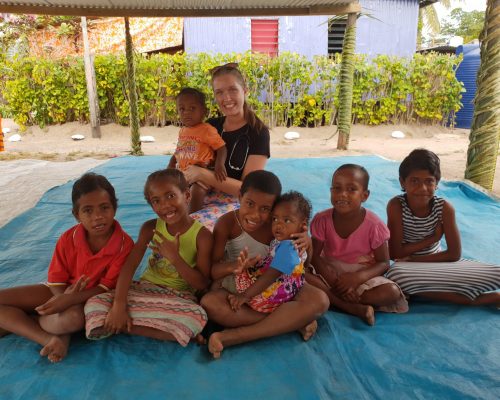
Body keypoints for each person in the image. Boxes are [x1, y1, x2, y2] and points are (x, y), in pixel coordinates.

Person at [0, 173, 134, 362]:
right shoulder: (67, 239)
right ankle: (48, 336)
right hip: (58, 292)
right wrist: (62, 297)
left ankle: (37, 329)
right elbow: (56, 281)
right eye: (87, 210)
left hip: (90, 300)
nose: (97, 217)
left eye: (104, 208)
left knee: (71, 319)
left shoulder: (124, 245)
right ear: (76, 215)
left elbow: (106, 286)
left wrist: (71, 299)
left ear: (114, 208)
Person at [201, 170, 329, 359]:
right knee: (209, 303)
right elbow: (212, 271)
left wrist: (307, 243)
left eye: (265, 209)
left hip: (279, 286)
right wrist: (234, 267)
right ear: (239, 197)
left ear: (274, 208)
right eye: (249, 204)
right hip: (241, 285)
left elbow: (304, 265)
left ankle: (235, 336)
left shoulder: (279, 227)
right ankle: (291, 322)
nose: (255, 214)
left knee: (320, 300)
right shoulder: (227, 223)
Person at [85, 169, 212, 346]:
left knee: (196, 316)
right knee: (95, 303)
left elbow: (202, 284)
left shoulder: (202, 236)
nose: (165, 205)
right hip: (144, 290)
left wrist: (175, 259)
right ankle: (170, 332)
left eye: (170, 196)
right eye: (156, 201)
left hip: (178, 297)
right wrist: (119, 305)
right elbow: (129, 267)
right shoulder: (150, 228)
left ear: (187, 195)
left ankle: (120, 326)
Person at [386, 148, 500, 306]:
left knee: (497, 272)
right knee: (395, 275)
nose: (422, 188)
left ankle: (442, 289)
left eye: (429, 181)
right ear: (402, 182)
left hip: (439, 262)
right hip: (408, 267)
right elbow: (395, 253)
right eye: (414, 181)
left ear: (437, 183)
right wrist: (432, 239)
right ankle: (480, 300)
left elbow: (454, 254)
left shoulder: (444, 208)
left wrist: (414, 258)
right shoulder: (396, 205)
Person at [308, 164, 408, 326]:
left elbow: (384, 262)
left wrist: (356, 279)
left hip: (362, 275)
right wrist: (334, 282)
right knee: (302, 276)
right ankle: (350, 306)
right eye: (337, 188)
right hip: (328, 272)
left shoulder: (374, 225)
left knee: (392, 292)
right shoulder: (322, 220)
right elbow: (314, 257)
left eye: (351, 189)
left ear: (365, 195)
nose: (342, 194)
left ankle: (346, 300)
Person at [183, 63, 270, 206]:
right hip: (198, 196)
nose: (226, 98)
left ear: (245, 91)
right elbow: (189, 164)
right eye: (219, 92)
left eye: (233, 90)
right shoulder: (210, 126)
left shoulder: (258, 132)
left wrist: (203, 174)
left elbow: (248, 190)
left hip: (235, 204)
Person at [223, 191, 311, 315]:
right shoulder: (292, 242)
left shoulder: (288, 247)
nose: (278, 225)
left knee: (223, 283)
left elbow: (271, 275)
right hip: (284, 290)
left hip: (270, 294)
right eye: (275, 219)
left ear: (302, 225)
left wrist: (245, 296)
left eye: (287, 220)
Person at [167, 87, 227, 213]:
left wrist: (219, 165)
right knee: (172, 190)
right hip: (184, 174)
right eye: (182, 109)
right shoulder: (183, 130)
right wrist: (171, 165)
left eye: (192, 108)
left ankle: (191, 217)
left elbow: (221, 147)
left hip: (201, 173)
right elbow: (178, 151)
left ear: (203, 111)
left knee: (196, 190)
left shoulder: (207, 129)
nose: (186, 113)